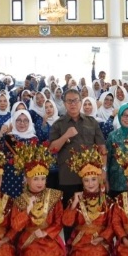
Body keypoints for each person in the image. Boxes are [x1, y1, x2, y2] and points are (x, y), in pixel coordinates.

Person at [47, 88, 107, 238]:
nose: (73, 104)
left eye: (75, 100)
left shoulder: (91, 122)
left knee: (92, 215)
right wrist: (66, 135)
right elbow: (52, 149)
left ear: (81, 102)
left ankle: (90, 247)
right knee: (70, 217)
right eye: (69, 101)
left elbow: (102, 149)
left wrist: (102, 173)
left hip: (91, 179)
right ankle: (71, 249)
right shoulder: (58, 124)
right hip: (68, 177)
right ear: (64, 103)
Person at [10, 144, 65, 256]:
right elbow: (15, 226)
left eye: (42, 179)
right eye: (35, 179)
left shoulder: (54, 196)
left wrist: (47, 233)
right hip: (30, 240)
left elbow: (59, 222)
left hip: (49, 239)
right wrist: (27, 211)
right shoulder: (21, 200)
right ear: (27, 180)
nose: (40, 183)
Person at [62, 146, 112, 256]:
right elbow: (67, 222)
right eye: (86, 180)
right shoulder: (75, 199)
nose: (90, 184)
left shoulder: (107, 200)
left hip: (99, 241)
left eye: (94, 179)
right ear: (82, 181)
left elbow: (112, 225)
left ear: (99, 180)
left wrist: (102, 238)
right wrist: (73, 204)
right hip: (80, 241)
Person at [0, 110, 40, 198]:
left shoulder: (34, 139)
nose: (22, 123)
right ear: (14, 122)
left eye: (25, 120)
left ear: (30, 122)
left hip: (28, 177)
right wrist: (1, 134)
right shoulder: (8, 137)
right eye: (18, 120)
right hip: (9, 177)